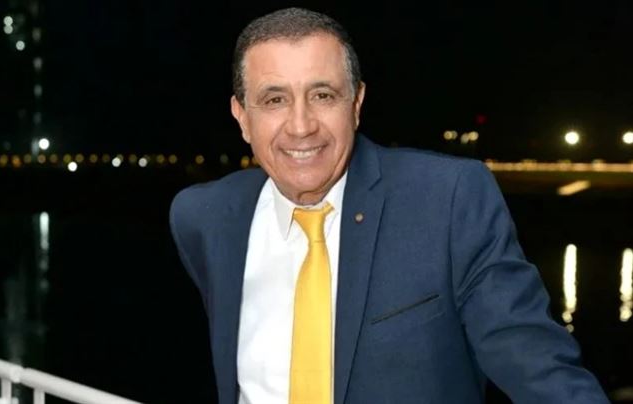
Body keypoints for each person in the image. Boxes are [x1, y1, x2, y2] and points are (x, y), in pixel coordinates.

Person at [170, 7, 609, 404]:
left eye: (323, 95)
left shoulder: (448, 200)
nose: (301, 126)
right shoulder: (204, 217)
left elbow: (537, 367)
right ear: (242, 116)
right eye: (274, 100)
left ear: (356, 104)